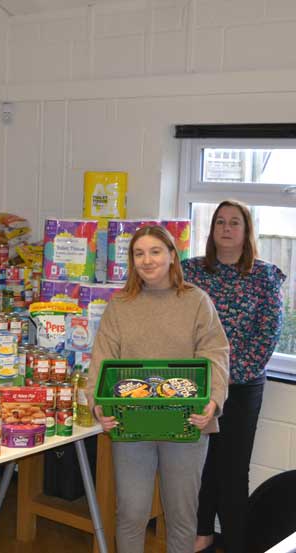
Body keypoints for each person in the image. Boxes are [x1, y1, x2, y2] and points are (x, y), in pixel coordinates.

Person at [85, 225, 230, 553]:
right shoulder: (120, 305)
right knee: (131, 513)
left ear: (171, 256)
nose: (147, 260)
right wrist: (98, 405)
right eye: (139, 254)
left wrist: (213, 400)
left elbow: (216, 354)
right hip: (132, 424)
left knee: (181, 514)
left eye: (155, 252)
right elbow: (102, 358)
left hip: (187, 423)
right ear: (132, 261)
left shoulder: (196, 301)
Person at [182, 200, 285, 553]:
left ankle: (237, 544)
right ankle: (202, 536)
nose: (226, 228)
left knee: (233, 469)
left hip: (241, 386)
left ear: (246, 231)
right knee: (201, 464)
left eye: (235, 222)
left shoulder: (265, 275)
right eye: (220, 222)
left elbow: (267, 336)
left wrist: (223, 380)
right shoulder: (191, 271)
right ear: (212, 230)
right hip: (196, 384)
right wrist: (203, 379)